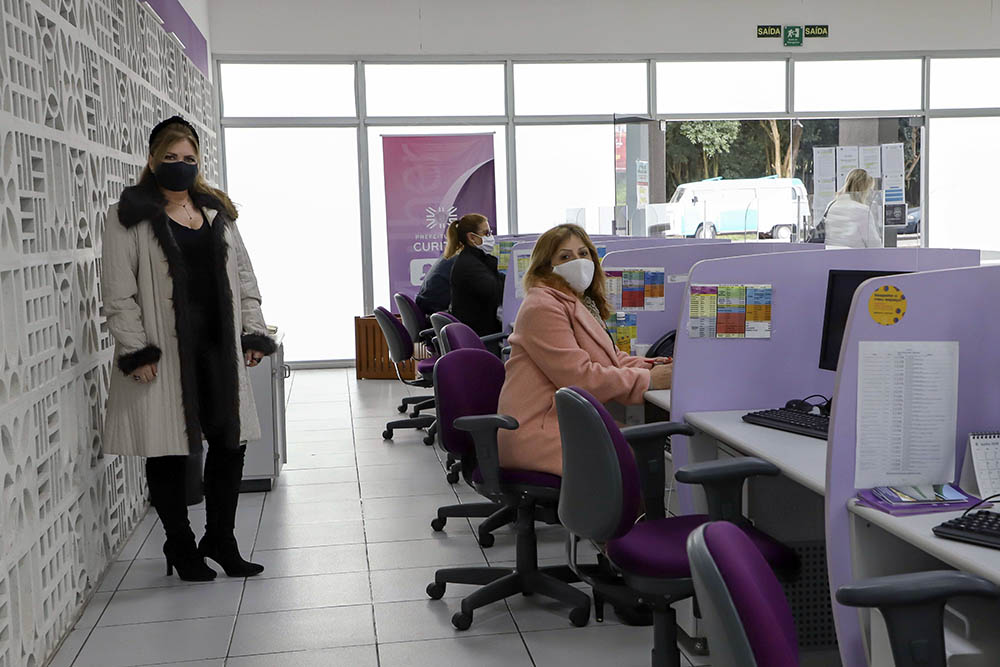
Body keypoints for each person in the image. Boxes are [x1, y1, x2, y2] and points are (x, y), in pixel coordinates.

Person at [102, 116, 277, 582]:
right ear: (153, 160)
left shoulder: (217, 213)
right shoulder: (129, 217)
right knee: (169, 451)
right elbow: (118, 294)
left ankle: (220, 538)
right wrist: (136, 351)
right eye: (170, 158)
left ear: (199, 162)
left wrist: (253, 331)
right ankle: (180, 544)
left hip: (218, 349)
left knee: (228, 443)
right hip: (165, 355)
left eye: (188, 159)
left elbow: (244, 278)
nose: (180, 166)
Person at [497, 224, 672, 477]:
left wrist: (652, 365)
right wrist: (649, 380)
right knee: (638, 450)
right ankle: (629, 517)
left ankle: (638, 515)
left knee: (642, 442)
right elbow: (580, 378)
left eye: (583, 253)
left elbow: (608, 357)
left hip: (565, 422)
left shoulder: (578, 302)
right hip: (541, 431)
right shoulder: (542, 306)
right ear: (546, 266)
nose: (578, 262)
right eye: (565, 256)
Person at [448, 214, 503, 338]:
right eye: (486, 233)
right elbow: (497, 292)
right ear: (472, 238)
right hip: (479, 337)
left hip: (476, 331)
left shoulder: (474, 260)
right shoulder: (469, 266)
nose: (491, 238)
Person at [821, 168, 883, 248]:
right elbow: (874, 244)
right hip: (854, 257)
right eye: (869, 190)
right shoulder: (862, 210)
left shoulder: (832, 205)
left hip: (829, 256)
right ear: (864, 189)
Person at [415, 223, 463, 315]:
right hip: (437, 314)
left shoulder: (449, 257)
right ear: (471, 238)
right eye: (486, 234)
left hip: (430, 312)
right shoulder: (459, 261)